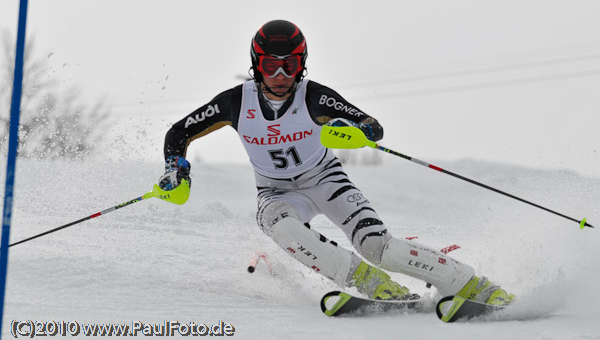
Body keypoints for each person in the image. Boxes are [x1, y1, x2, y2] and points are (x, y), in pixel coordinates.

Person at [158, 19, 515, 305]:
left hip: (327, 181)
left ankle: (474, 285)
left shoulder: (314, 97)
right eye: (270, 66)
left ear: (302, 65)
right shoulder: (235, 103)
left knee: (377, 246)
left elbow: (372, 126)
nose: (280, 76)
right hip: (277, 191)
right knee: (277, 224)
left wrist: (353, 128)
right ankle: (375, 286)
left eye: (290, 66)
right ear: (256, 65)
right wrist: (175, 168)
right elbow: (178, 133)